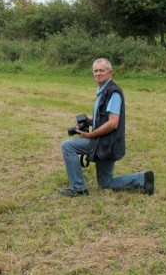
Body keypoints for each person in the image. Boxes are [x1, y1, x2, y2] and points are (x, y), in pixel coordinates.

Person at [59, 58, 154, 197]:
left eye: (101, 70)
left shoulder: (113, 92)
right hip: (105, 143)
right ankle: (143, 179)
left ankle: (78, 189)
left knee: (68, 146)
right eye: (95, 71)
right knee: (106, 183)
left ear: (110, 72)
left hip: (106, 143)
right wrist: (91, 122)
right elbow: (106, 118)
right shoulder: (103, 91)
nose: (98, 73)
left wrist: (90, 135)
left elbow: (113, 123)